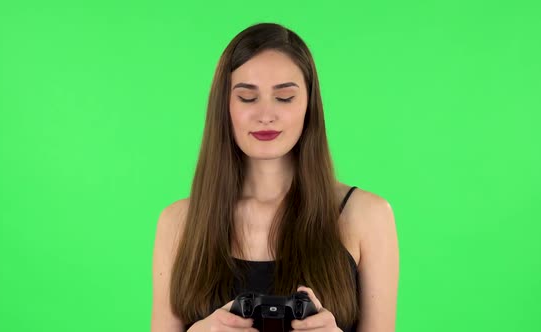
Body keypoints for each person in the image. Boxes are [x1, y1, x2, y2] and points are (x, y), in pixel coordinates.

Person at [151, 22, 399, 332]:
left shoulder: (367, 216)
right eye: (247, 98)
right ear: (223, 107)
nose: (266, 114)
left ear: (309, 106)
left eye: (284, 98)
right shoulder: (178, 222)